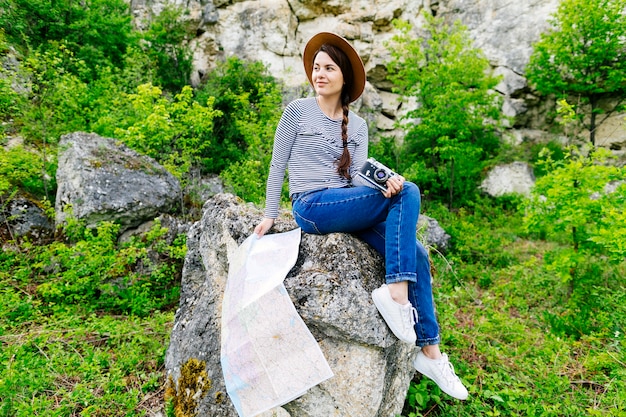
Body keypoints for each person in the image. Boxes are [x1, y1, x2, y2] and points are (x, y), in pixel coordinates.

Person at [253, 32, 468, 400]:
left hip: (346, 204)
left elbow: (356, 178)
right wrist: (271, 215)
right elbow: (277, 164)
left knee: (415, 250)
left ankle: (430, 352)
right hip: (312, 207)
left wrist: (384, 184)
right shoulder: (297, 111)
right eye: (316, 68)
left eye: (329, 68)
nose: (319, 74)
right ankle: (397, 297)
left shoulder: (359, 125)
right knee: (412, 193)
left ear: (344, 78)